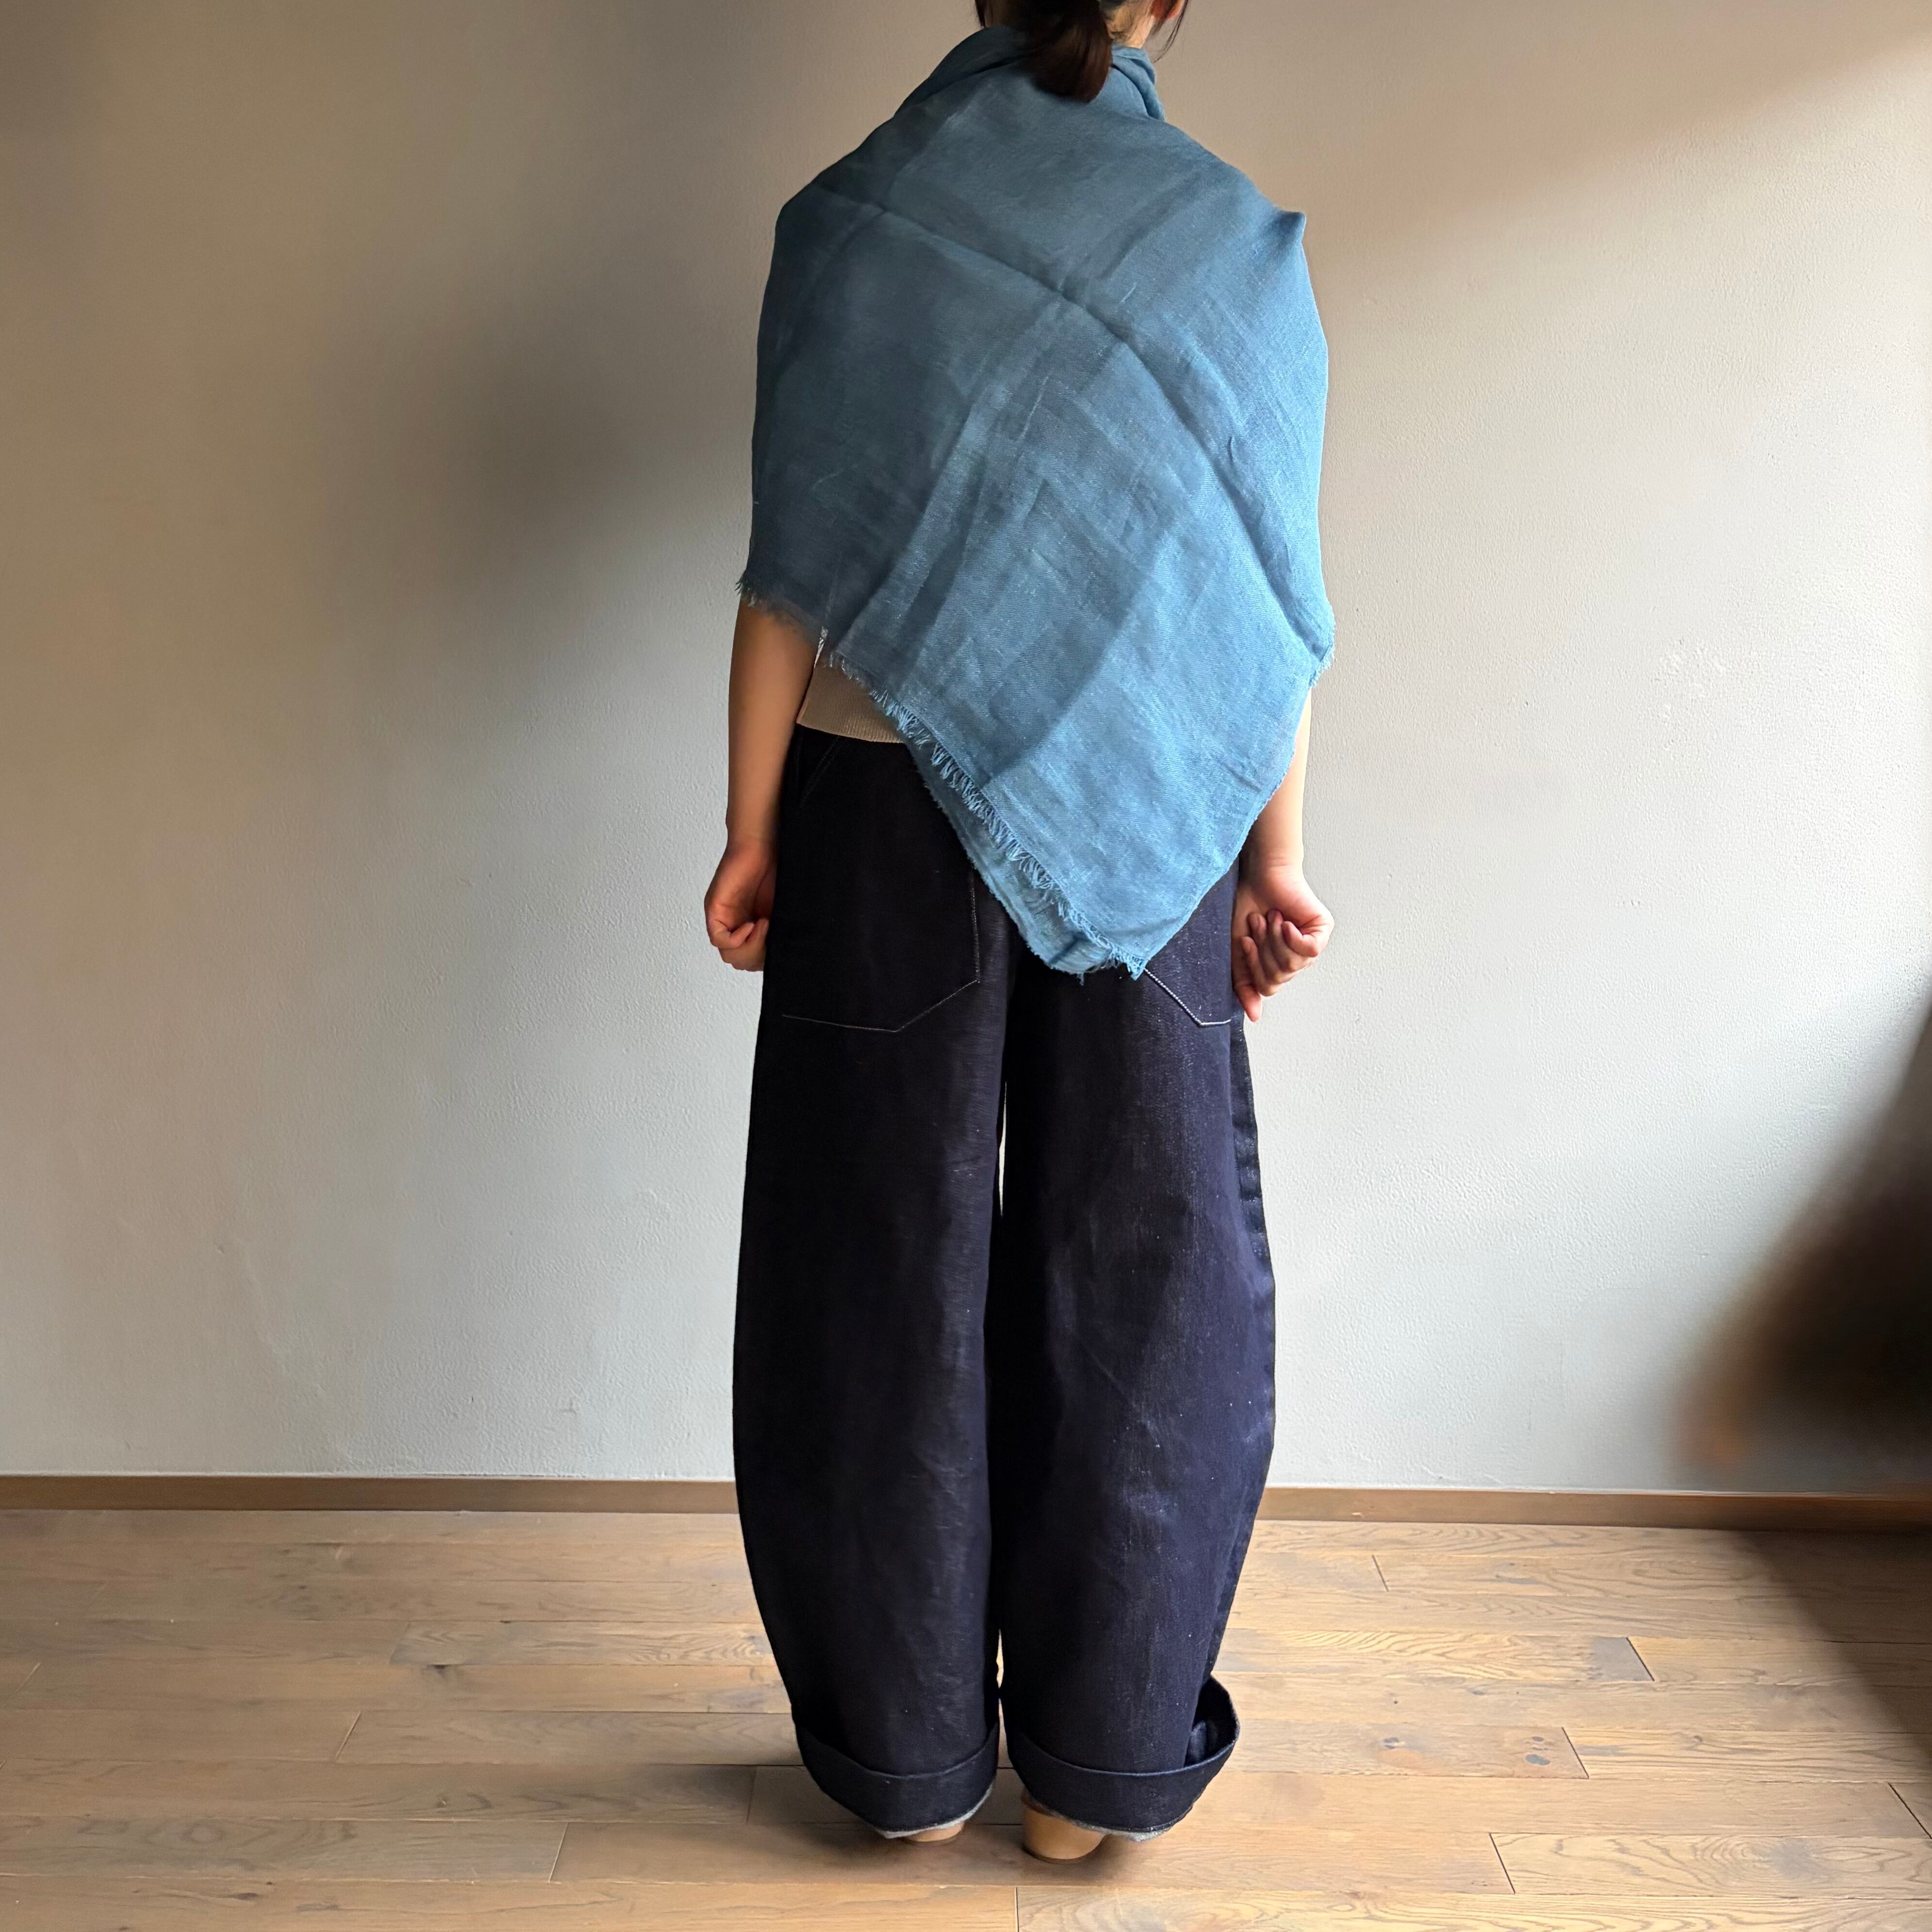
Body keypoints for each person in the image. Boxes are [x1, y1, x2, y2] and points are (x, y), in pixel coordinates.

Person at [704, 0, 1334, 1860]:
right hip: (1162, 810)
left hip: (876, 801)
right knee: (1146, 1267)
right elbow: (1273, 601)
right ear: (1166, 4)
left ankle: (903, 1764)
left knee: (869, 1257)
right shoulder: (1236, 247)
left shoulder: (853, 221)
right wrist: (1277, 860)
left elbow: (788, 572)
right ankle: (1096, 1770)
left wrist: (754, 830)